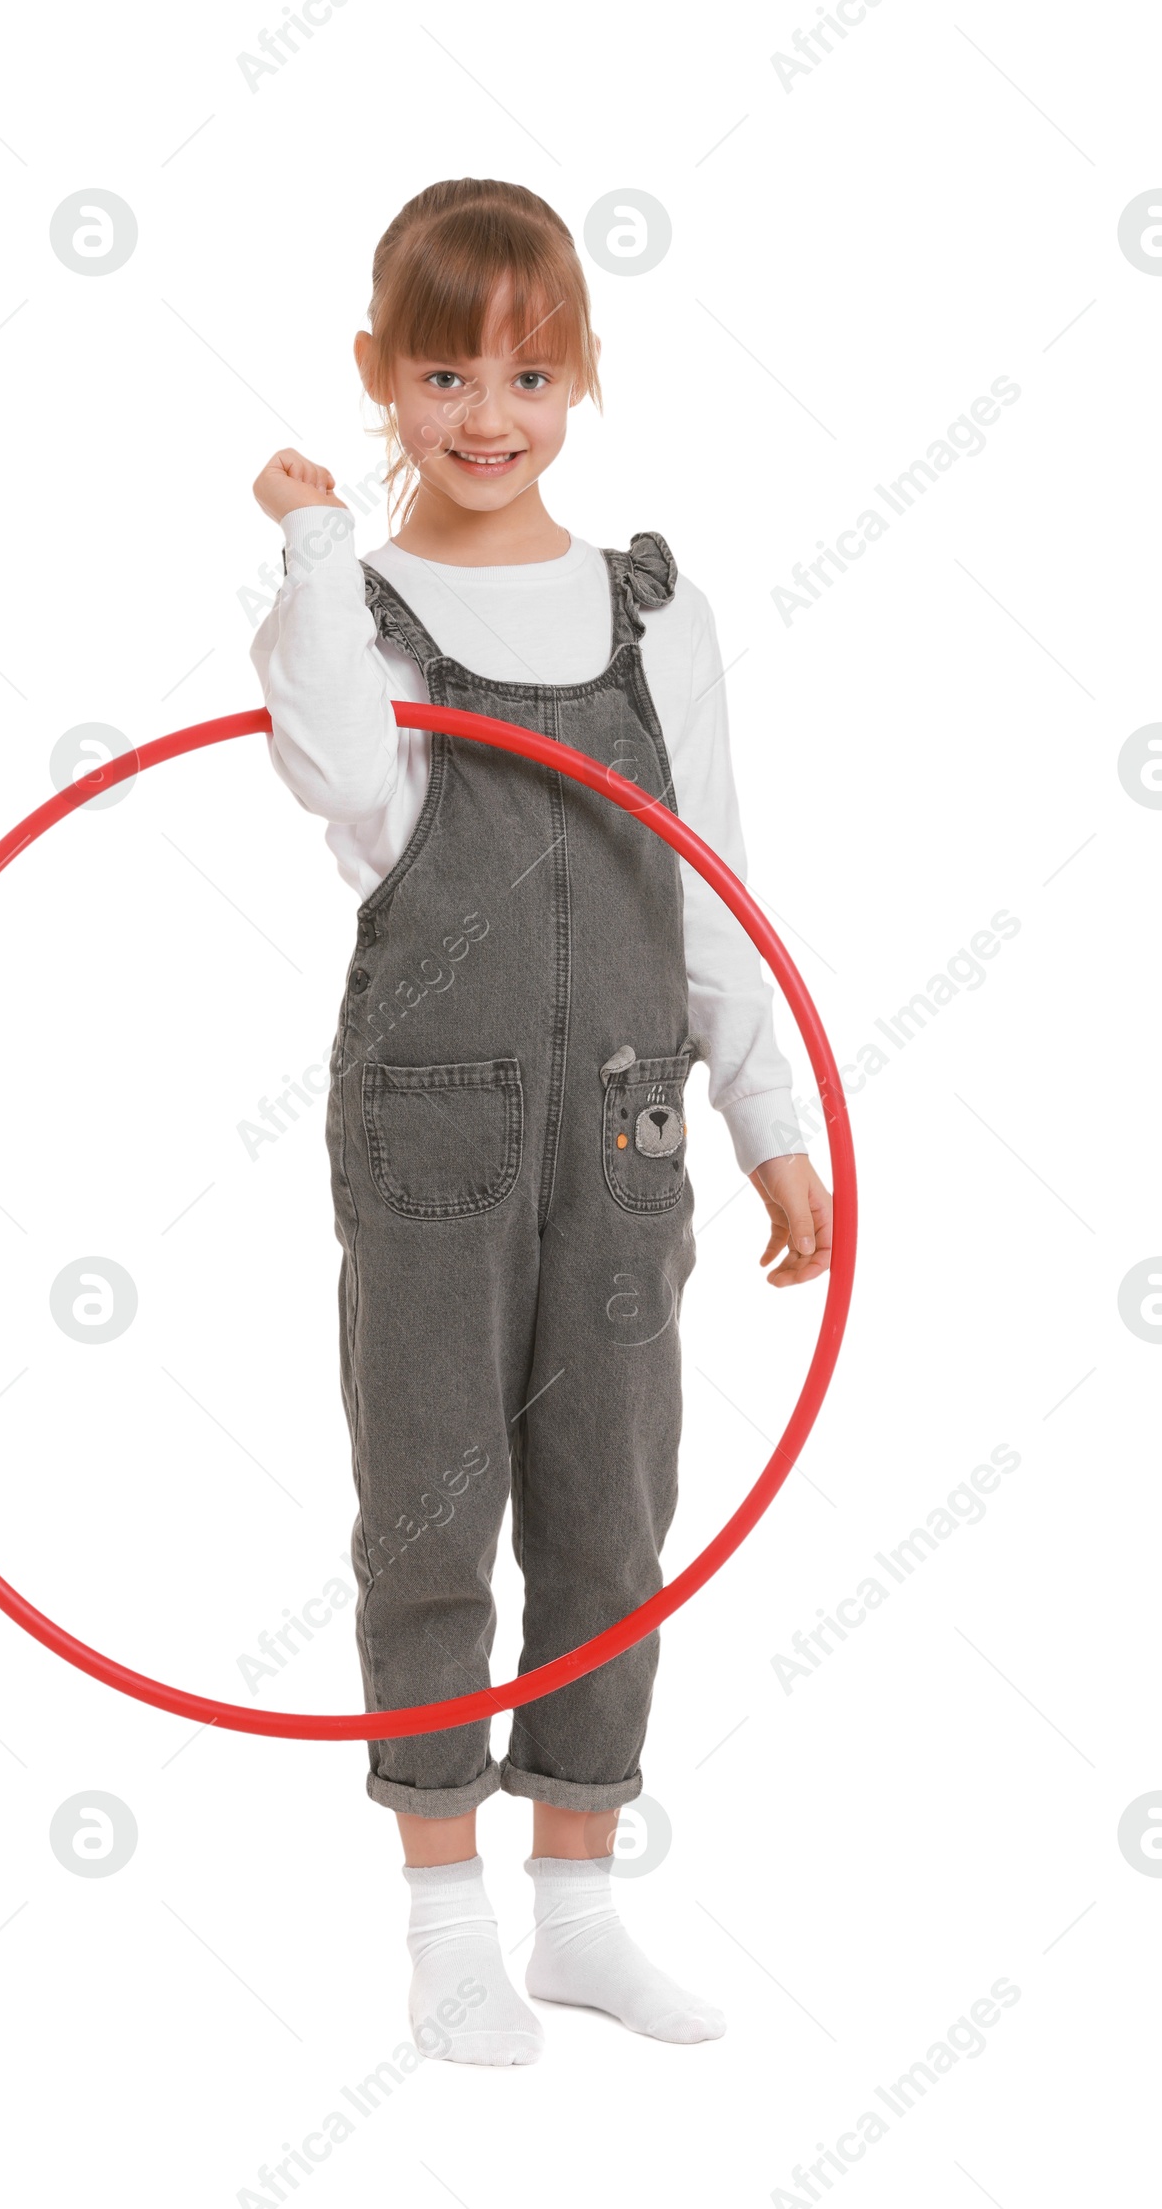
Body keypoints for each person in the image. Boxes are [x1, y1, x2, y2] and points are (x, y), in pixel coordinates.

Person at [248, 178, 832, 2066]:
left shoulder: (654, 611)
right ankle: (444, 1924)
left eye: (530, 370)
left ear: (580, 374)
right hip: (431, 1126)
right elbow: (343, 782)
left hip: (625, 1132)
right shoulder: (367, 609)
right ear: (379, 379)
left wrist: (768, 1116)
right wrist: (317, 551)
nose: (488, 411)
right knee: (429, 1503)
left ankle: (577, 1905)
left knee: (611, 1508)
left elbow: (713, 884)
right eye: (442, 372)